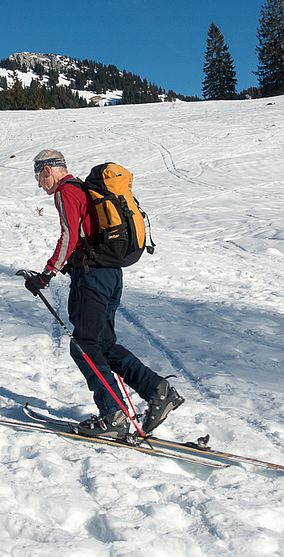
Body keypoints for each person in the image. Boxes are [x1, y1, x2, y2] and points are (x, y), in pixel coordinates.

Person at [24, 149, 183, 438]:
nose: (39, 184)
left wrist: (46, 274)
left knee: (84, 345)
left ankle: (113, 415)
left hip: (92, 278)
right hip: (111, 274)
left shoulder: (67, 191)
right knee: (104, 345)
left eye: (38, 176)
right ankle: (159, 391)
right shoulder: (85, 190)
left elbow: (70, 236)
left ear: (49, 170)